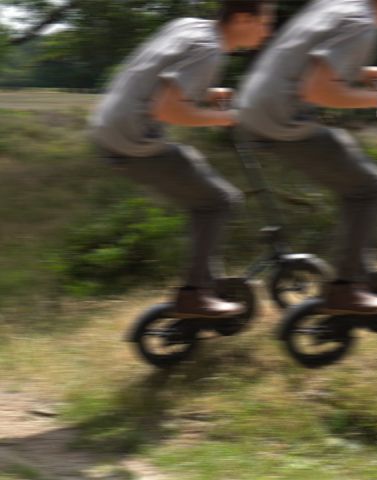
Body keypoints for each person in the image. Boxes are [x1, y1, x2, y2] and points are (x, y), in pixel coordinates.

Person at [236, 0, 377, 316]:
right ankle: (346, 289)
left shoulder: (343, 8)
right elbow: (319, 91)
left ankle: (356, 273)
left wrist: (363, 75)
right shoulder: (362, 23)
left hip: (258, 109)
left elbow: (308, 62)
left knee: (355, 182)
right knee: (372, 189)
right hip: (281, 119)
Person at [89, 0, 274, 318]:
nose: (267, 32)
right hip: (133, 139)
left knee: (202, 191)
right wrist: (227, 118)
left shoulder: (188, 26)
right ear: (243, 19)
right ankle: (194, 295)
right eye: (265, 23)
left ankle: (203, 282)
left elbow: (159, 77)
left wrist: (206, 94)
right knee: (219, 201)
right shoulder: (210, 50)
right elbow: (169, 109)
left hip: (108, 125)